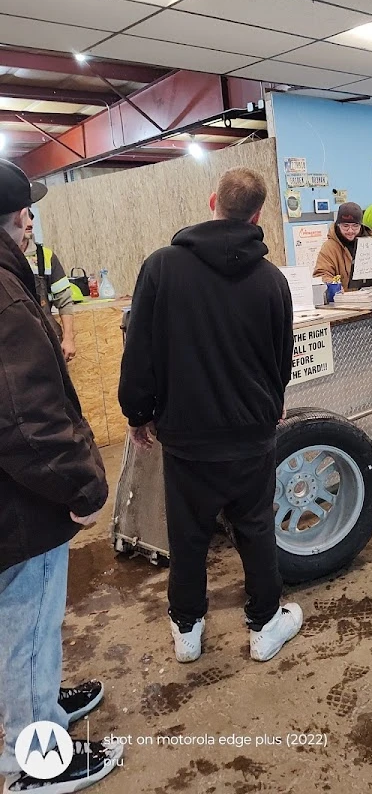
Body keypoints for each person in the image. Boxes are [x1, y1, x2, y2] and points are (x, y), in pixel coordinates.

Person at [118, 167, 302, 665]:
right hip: (251, 433)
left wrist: (138, 413)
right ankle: (264, 625)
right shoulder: (272, 280)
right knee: (256, 529)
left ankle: (187, 630)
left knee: (189, 533)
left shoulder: (160, 268)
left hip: (186, 435)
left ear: (212, 200)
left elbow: (141, 352)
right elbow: (281, 356)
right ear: (258, 215)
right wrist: (273, 400)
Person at [0, 159, 122, 794]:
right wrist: (80, 485)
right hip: (18, 505)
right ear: (18, 218)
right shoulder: (4, 292)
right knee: (24, 623)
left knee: (19, 626)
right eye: (27, 211)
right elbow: (27, 418)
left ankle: (38, 705)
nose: (30, 222)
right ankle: (36, 760)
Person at [21, 211, 76, 364]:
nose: (30, 223)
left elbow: (64, 300)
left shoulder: (45, 256)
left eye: (31, 217)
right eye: (24, 217)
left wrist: (68, 338)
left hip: (47, 340)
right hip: (13, 344)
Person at [313, 201, 372, 290]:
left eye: (355, 226)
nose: (350, 230)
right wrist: (334, 286)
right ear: (338, 225)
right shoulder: (329, 248)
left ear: (361, 225)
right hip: (344, 301)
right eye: (345, 226)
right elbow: (320, 276)